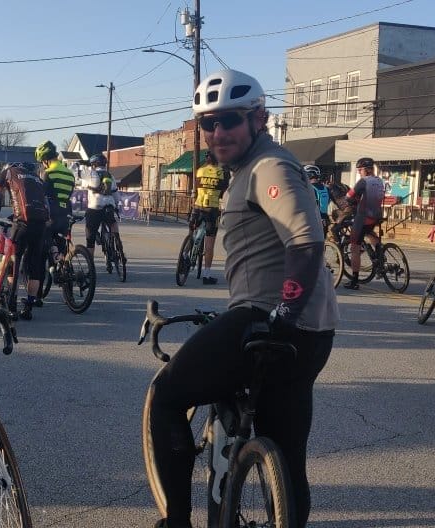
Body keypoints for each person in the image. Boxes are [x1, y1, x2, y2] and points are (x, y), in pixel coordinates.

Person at [148, 69, 337, 528]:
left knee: (167, 396)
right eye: (206, 124)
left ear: (258, 118)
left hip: (273, 321)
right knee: (286, 455)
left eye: (228, 120)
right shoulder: (246, 170)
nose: (216, 133)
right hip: (308, 329)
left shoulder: (269, 166)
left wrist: (281, 316)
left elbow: (305, 243)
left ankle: (176, 524)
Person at [0, 162, 50, 320]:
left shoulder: (8, 172)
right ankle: (28, 307)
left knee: (12, 262)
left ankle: (12, 304)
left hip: (22, 222)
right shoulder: (36, 178)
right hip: (40, 224)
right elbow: (46, 204)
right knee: (34, 263)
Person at [343, 157, 385, 290]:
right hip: (376, 216)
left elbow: (349, 196)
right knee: (370, 233)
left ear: (366, 170)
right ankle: (379, 254)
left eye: (360, 170)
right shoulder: (379, 181)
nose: (359, 173)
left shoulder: (363, 182)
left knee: (354, 248)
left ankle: (354, 280)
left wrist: (349, 201)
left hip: (363, 217)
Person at [190, 151, 227, 285]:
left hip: (198, 207)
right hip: (211, 210)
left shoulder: (200, 171)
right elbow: (224, 193)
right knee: (209, 244)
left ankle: (185, 253)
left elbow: (196, 188)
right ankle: (207, 275)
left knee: (192, 231)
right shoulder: (222, 172)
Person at [81, 154, 121, 272]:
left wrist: (82, 164)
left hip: (95, 207)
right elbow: (115, 195)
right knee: (113, 223)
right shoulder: (110, 176)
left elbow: (75, 172)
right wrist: (116, 206)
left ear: (94, 164)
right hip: (109, 206)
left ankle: (90, 266)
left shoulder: (91, 173)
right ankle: (116, 242)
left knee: (90, 236)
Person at [305, 164, 331, 235]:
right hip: (325, 218)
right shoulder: (326, 188)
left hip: (313, 220)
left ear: (309, 175)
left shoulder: (308, 188)